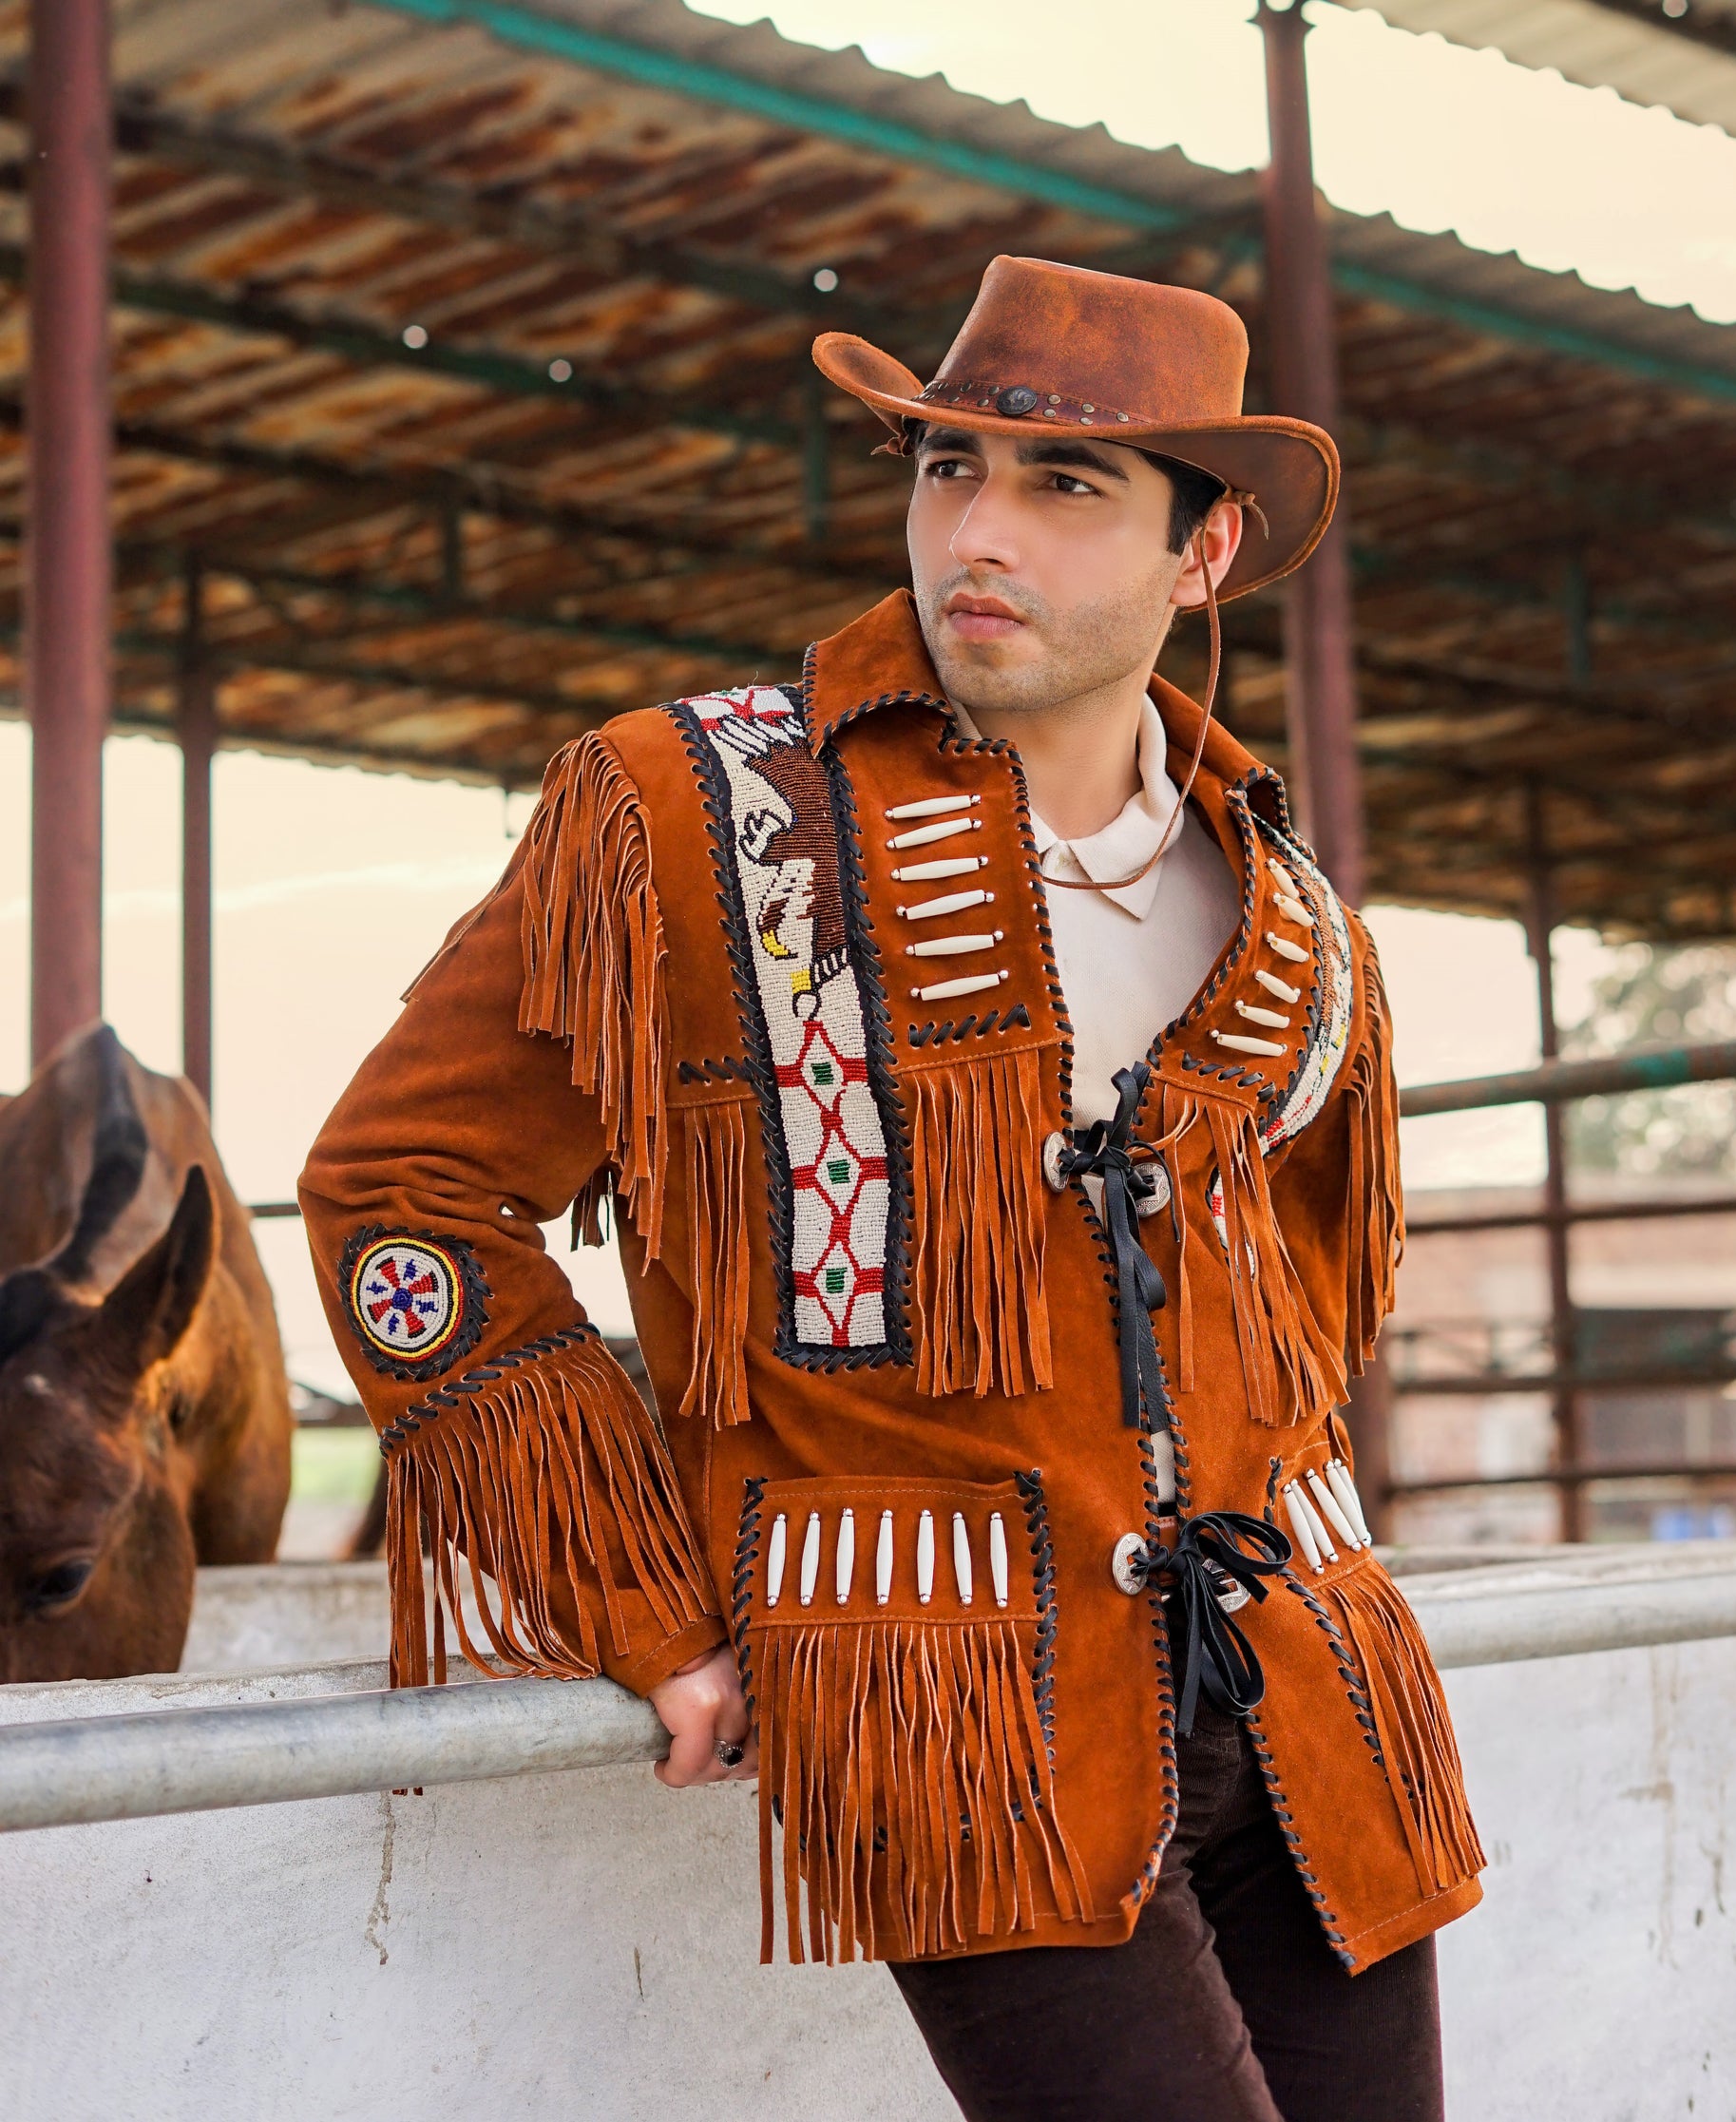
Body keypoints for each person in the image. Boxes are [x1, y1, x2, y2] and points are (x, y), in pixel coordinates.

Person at [300, 255, 1481, 2122]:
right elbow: (401, 1190)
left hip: (1310, 1687)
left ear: (1209, 548)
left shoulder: (1295, 916)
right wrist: (647, 1595)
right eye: (947, 469)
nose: (976, 533)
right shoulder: (686, 814)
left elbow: (1318, 1297)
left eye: (1063, 486)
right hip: (950, 1690)